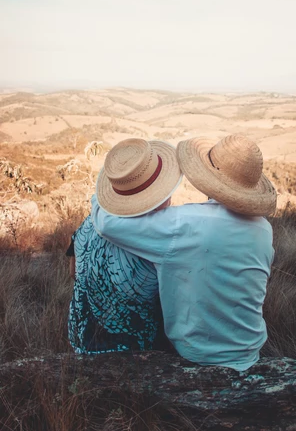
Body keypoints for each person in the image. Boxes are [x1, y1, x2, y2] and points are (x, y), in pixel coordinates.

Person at [91, 133, 277, 371]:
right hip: (250, 351)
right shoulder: (264, 229)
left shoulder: (184, 223)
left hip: (198, 353)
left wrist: (103, 193)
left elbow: (107, 224)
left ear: (208, 175)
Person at [67, 138, 182, 354]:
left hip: (81, 341)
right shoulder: (160, 237)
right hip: (139, 351)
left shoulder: (87, 224)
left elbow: (72, 271)